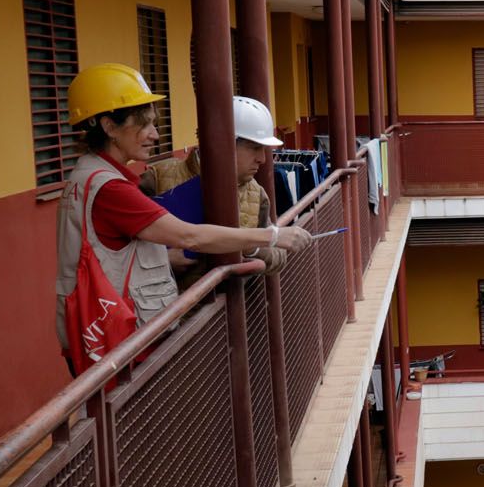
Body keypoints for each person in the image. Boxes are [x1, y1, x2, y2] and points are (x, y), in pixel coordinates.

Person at [54, 63, 315, 370]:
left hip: (105, 333)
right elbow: (188, 235)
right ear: (110, 126)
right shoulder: (112, 188)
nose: (155, 135)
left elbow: (113, 253)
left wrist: (163, 258)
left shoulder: (88, 175)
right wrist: (271, 236)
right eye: (144, 125)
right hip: (121, 339)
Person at [141, 95, 290, 275]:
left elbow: (279, 257)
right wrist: (161, 260)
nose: (262, 159)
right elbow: (121, 247)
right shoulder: (157, 178)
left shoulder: (256, 194)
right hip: (174, 293)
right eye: (254, 148)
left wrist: (251, 246)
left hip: (234, 294)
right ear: (223, 143)